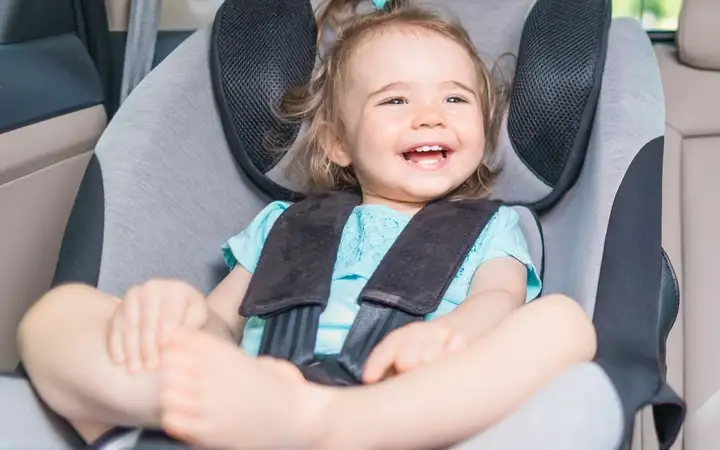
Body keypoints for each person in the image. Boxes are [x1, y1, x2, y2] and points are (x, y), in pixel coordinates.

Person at [16, 1, 597, 449]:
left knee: (565, 324)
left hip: (399, 412)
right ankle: (168, 402)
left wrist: (455, 337)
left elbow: (499, 302)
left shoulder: (494, 229)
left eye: (455, 99)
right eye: (395, 102)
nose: (429, 116)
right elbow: (223, 323)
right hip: (252, 399)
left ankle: (328, 423)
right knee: (54, 316)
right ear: (339, 142)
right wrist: (181, 317)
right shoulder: (285, 224)